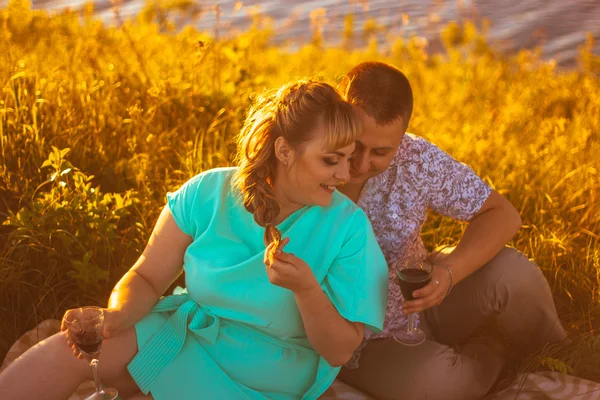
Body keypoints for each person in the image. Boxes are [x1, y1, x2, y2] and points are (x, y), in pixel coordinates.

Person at [0, 80, 389, 400]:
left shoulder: (349, 227)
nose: (346, 174)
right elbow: (148, 278)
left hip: (269, 372)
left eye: (348, 158)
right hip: (185, 336)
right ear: (285, 151)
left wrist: (306, 290)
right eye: (331, 159)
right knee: (66, 351)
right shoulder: (207, 192)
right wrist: (117, 316)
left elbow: (340, 349)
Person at [335, 61, 568, 400]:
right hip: (362, 340)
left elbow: (501, 214)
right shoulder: (309, 158)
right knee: (438, 384)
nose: (359, 163)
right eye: (355, 144)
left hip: (425, 301)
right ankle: (495, 350)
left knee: (514, 273)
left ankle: (557, 353)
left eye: (380, 152)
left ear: (401, 140)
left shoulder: (415, 158)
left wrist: (448, 271)